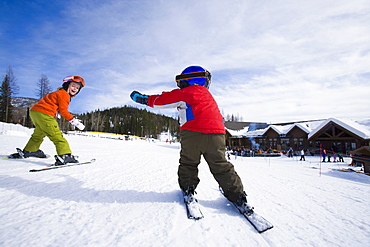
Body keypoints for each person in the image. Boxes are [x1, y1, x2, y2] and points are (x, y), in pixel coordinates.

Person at [130, 65, 251, 213]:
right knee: (221, 165)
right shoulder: (208, 96)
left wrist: (142, 99)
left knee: (189, 163)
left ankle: (188, 189)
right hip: (218, 134)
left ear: (186, 80)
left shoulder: (186, 92)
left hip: (193, 132)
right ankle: (238, 195)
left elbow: (161, 100)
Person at [9, 76, 86, 165]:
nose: (75, 89)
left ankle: (30, 150)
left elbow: (50, 104)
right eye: (73, 86)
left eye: (77, 88)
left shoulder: (57, 93)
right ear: (67, 85)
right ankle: (65, 155)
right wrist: (74, 120)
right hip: (45, 114)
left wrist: (56, 112)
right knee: (57, 135)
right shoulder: (64, 94)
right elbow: (63, 111)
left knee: (39, 133)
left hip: (35, 112)